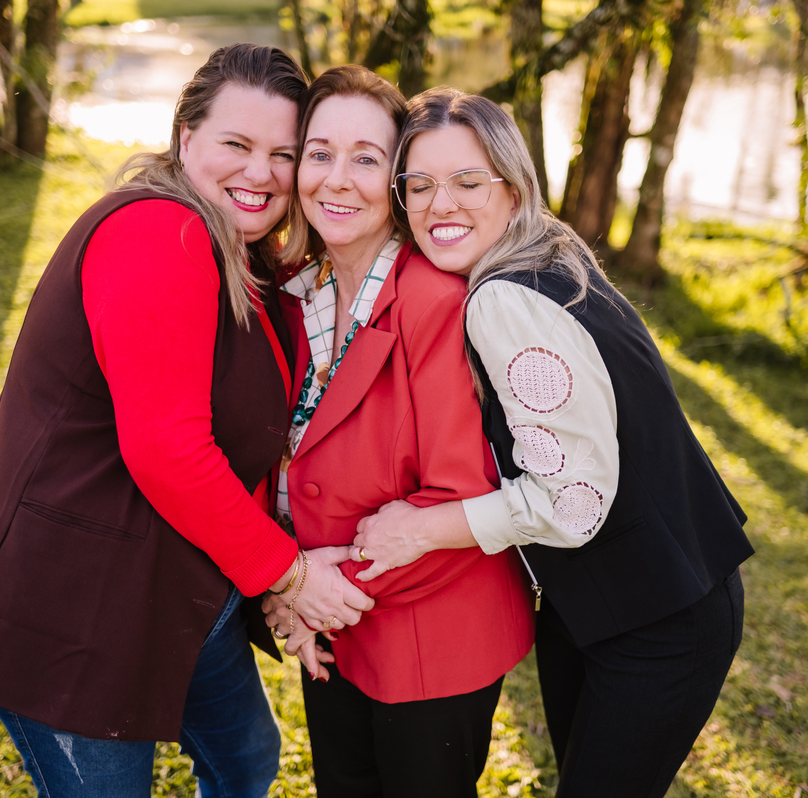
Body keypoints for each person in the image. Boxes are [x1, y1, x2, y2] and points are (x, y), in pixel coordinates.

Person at [0, 44, 375, 798]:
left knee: (245, 762)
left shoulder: (243, 250)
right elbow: (169, 451)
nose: (260, 172)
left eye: (284, 154)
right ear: (185, 137)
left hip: (178, 581)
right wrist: (290, 575)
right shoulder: (161, 234)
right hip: (72, 603)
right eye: (237, 144)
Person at [351, 87, 756, 798]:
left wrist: (417, 530)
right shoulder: (549, 254)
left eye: (468, 181)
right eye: (419, 185)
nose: (441, 204)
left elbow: (572, 504)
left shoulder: (504, 299)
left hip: (658, 623)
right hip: (616, 604)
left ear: (512, 187)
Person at [258, 65, 534, 798]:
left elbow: (460, 495)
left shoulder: (434, 303)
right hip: (338, 626)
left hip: (431, 637)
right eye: (320, 153)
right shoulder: (301, 293)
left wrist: (314, 591)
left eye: (367, 158)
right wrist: (285, 581)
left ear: (399, 182)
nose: (337, 180)